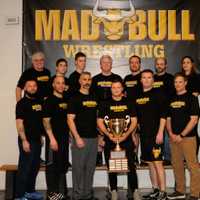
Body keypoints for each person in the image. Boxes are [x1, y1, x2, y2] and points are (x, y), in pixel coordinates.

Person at [97, 80, 139, 200]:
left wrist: (126, 135)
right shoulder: (104, 103)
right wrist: (107, 135)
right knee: (112, 167)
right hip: (110, 140)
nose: (116, 89)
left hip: (126, 140)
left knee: (131, 166)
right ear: (111, 90)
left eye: (118, 87)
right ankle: (114, 191)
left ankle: (135, 191)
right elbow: (99, 121)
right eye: (113, 87)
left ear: (122, 89)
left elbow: (134, 121)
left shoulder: (129, 102)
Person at [135, 69, 168, 200]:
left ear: (153, 80)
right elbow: (136, 118)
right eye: (144, 77)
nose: (147, 80)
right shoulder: (137, 97)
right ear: (141, 80)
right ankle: (155, 189)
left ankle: (163, 191)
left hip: (156, 135)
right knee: (150, 162)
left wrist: (160, 133)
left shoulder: (159, 94)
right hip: (144, 135)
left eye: (149, 77)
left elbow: (163, 116)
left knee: (158, 162)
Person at [167, 73, 200, 200]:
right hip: (174, 138)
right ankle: (180, 190)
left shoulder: (191, 98)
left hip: (188, 138)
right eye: (175, 82)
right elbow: (168, 118)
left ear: (185, 83)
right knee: (177, 165)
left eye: (180, 82)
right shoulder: (171, 98)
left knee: (193, 166)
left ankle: (195, 194)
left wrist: (181, 135)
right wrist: (171, 134)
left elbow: (194, 120)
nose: (177, 84)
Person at [67, 72, 98, 200]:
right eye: (84, 79)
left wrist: (100, 137)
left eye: (89, 79)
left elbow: (97, 118)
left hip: (94, 138)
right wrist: (77, 137)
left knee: (90, 168)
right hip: (80, 138)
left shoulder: (95, 97)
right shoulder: (74, 98)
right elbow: (70, 119)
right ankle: (78, 196)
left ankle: (87, 194)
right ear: (80, 81)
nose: (87, 81)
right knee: (78, 169)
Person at [90, 55, 122, 166]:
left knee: (113, 133)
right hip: (99, 111)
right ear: (100, 64)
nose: (106, 64)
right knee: (100, 133)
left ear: (111, 64)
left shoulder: (117, 78)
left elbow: (122, 94)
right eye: (104, 62)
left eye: (108, 62)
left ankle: (115, 155)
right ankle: (99, 156)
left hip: (114, 110)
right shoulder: (94, 79)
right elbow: (91, 96)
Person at [15, 80, 44, 200]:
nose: (32, 88)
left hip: (37, 140)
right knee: (25, 168)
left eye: (34, 86)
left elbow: (39, 121)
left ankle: (29, 191)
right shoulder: (21, 103)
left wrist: (41, 136)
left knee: (34, 167)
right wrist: (24, 140)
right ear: (25, 88)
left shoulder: (39, 101)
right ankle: (19, 195)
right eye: (29, 86)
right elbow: (19, 123)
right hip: (27, 140)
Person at [43, 76, 70, 200]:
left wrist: (69, 135)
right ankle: (52, 195)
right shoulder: (49, 101)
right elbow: (46, 121)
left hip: (64, 139)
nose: (60, 85)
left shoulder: (66, 99)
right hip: (53, 140)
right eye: (58, 83)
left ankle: (61, 193)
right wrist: (52, 139)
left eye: (62, 83)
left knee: (62, 166)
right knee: (52, 167)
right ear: (53, 85)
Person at [153, 57, 175, 165]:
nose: (159, 66)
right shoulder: (151, 78)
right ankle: (156, 156)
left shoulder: (170, 78)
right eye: (157, 64)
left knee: (167, 134)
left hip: (167, 111)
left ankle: (167, 157)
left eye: (161, 64)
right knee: (156, 135)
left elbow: (173, 95)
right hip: (154, 112)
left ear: (165, 65)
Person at [181, 56, 200, 155]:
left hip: (193, 107)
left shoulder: (197, 76)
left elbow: (197, 93)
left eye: (188, 62)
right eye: (184, 62)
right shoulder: (180, 77)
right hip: (181, 107)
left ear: (192, 64)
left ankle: (194, 154)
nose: (185, 64)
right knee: (183, 130)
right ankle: (185, 154)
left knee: (193, 130)